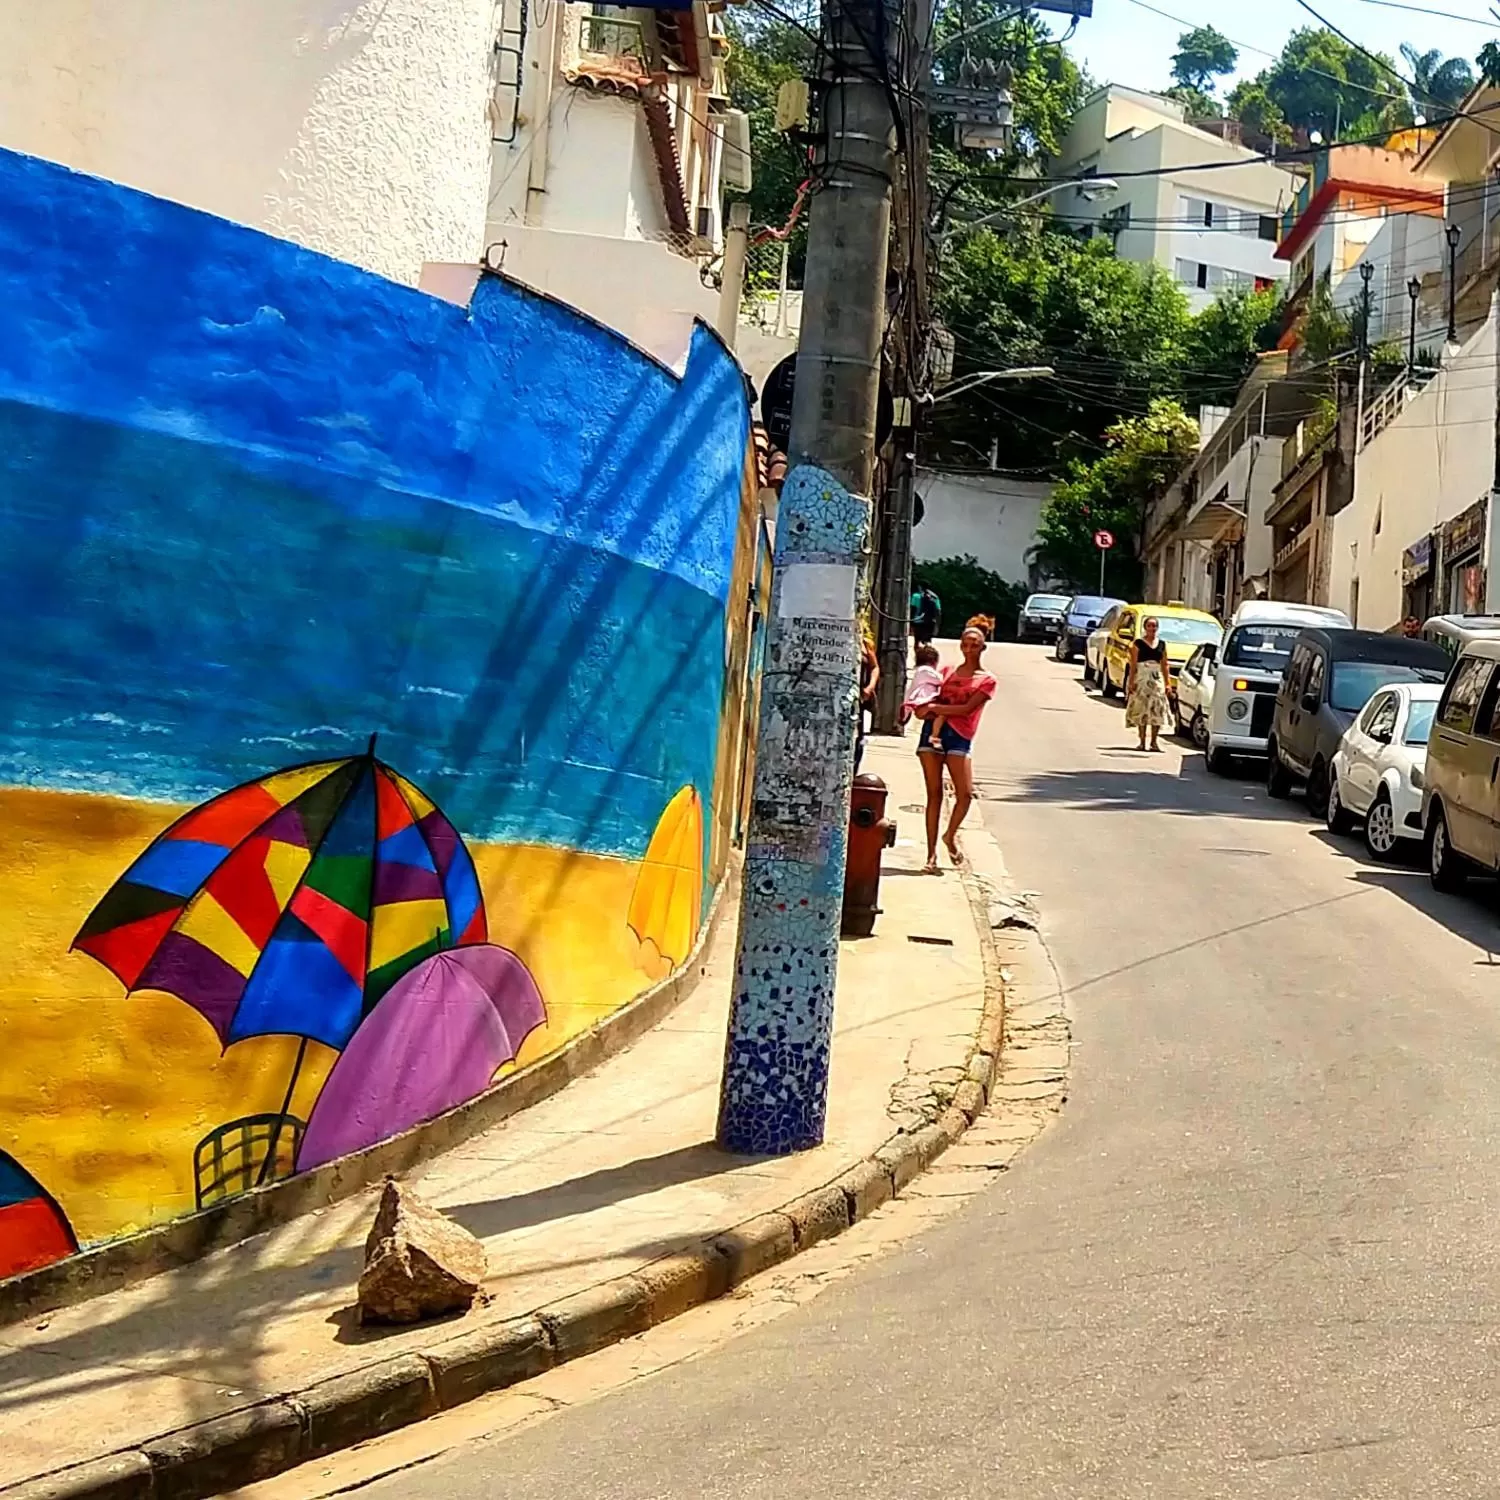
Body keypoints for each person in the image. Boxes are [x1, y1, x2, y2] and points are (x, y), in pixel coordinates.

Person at [915, 625, 997, 873]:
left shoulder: (987, 680)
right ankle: (930, 856)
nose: (969, 649)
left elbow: (966, 709)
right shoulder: (947, 671)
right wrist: (922, 709)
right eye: (965, 643)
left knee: (965, 793)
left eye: (975, 644)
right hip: (933, 733)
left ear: (983, 647)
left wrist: (937, 710)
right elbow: (929, 696)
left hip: (960, 736)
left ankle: (949, 835)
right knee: (934, 794)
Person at [1125, 615, 1172, 752]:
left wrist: (1168, 683)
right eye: (1149, 626)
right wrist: (1131, 682)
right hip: (1142, 677)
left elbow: (1165, 664)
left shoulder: (1162, 644)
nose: (1152, 628)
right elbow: (1133, 665)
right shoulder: (1137, 644)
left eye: (1154, 626)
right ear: (1145, 628)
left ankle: (1154, 742)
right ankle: (1142, 742)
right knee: (1142, 709)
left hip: (1156, 678)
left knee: (1157, 708)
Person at [901, 642, 943, 728]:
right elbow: (941, 680)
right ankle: (935, 735)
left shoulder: (919, 671)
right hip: (925, 701)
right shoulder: (925, 670)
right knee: (941, 715)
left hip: (921, 704)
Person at [854, 631, 879, 771]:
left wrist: (870, 687)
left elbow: (874, 667)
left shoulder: (865, 644)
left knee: (860, 737)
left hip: (862, 699)